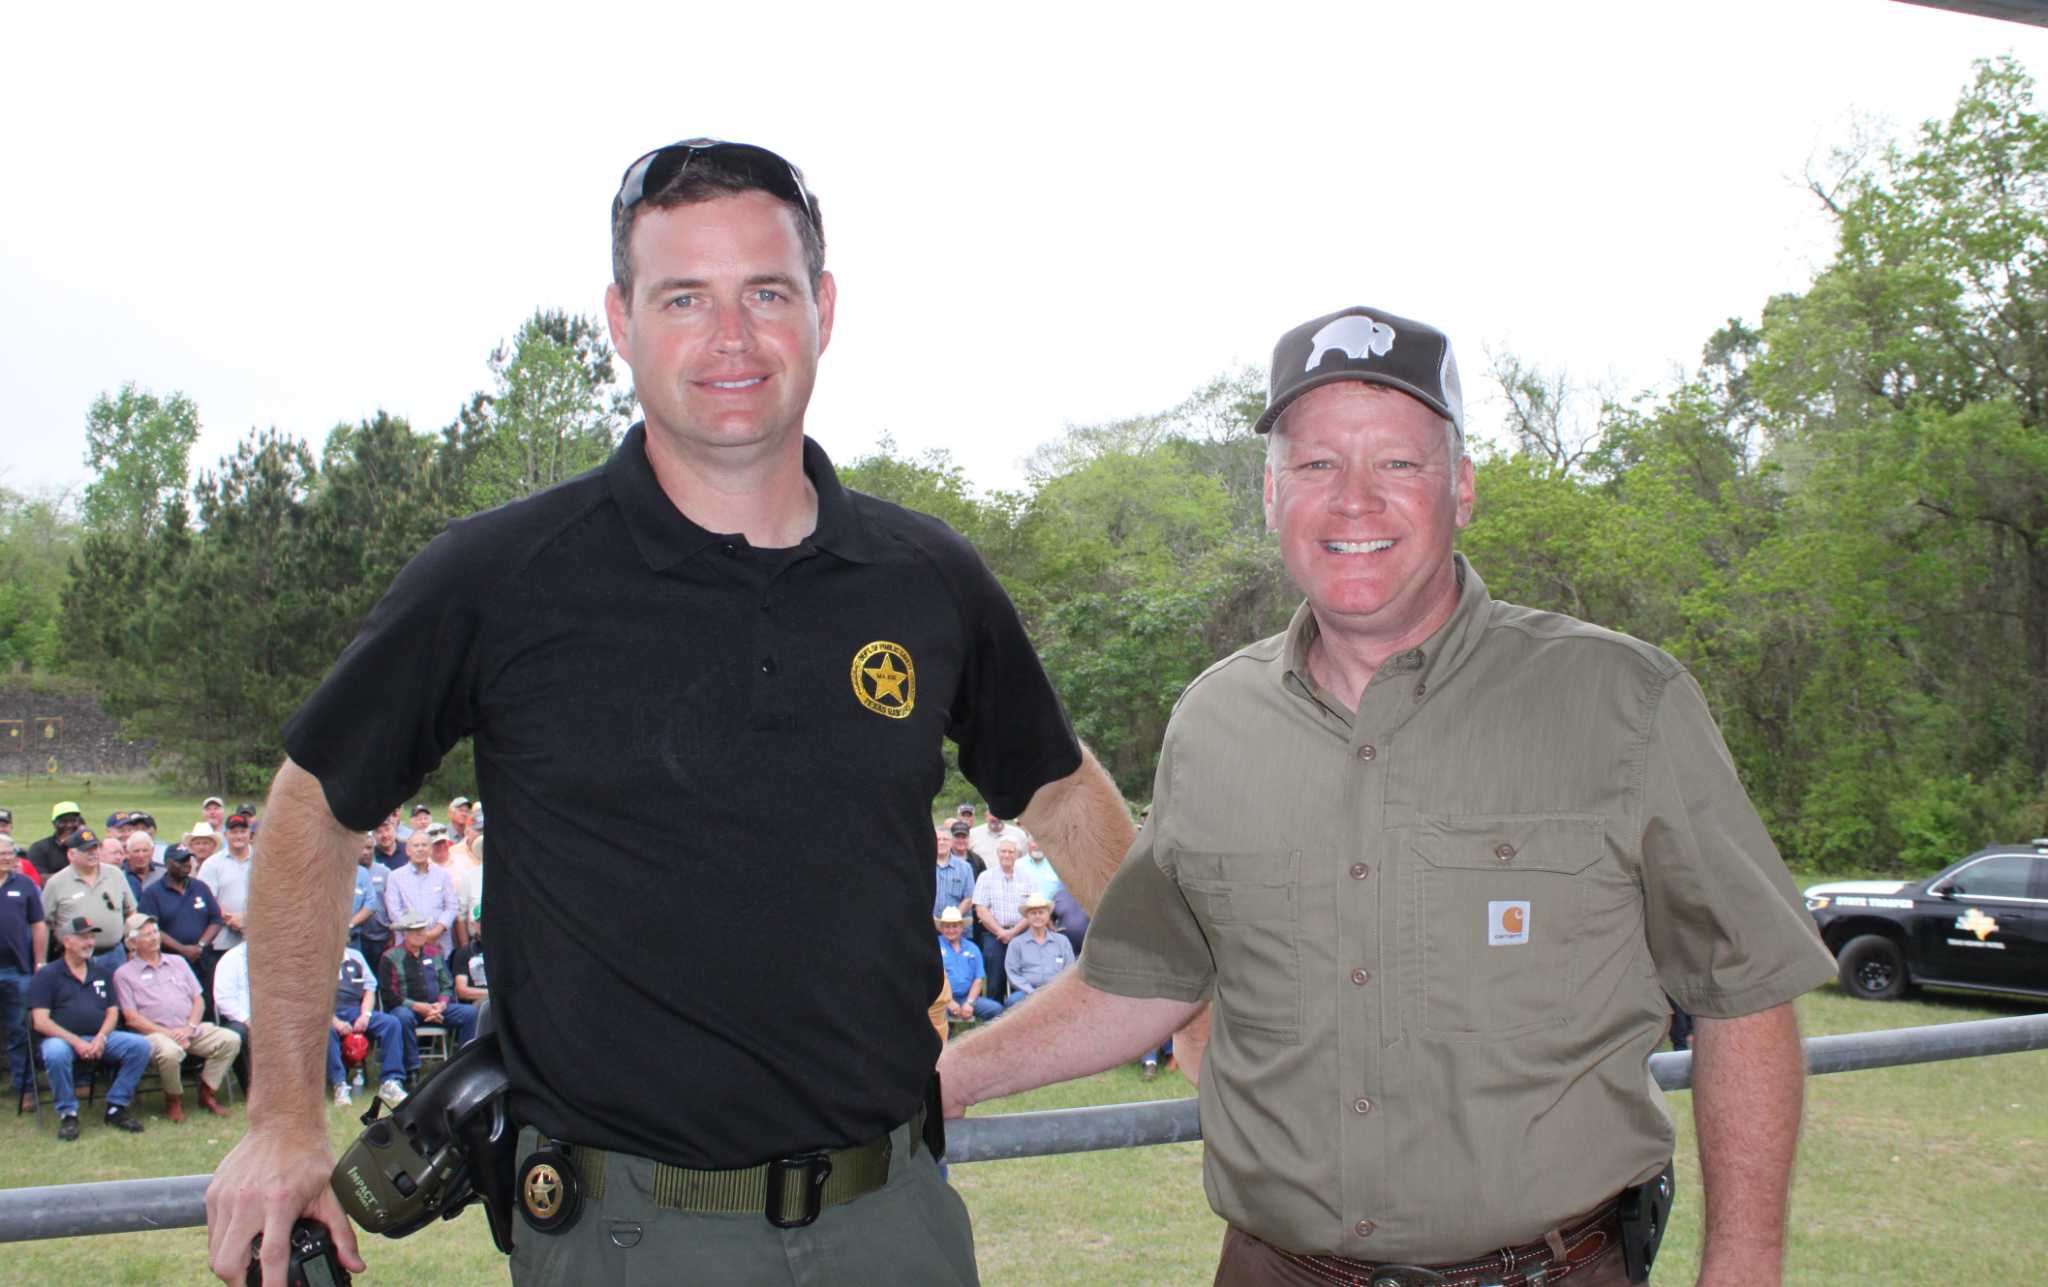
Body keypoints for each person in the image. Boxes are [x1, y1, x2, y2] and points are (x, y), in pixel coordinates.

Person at [205, 137, 1135, 1287]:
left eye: (766, 292)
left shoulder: (924, 578)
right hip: (626, 1234)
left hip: (892, 1219)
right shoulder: (499, 577)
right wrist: (284, 1115)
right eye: (683, 296)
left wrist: (1179, 988)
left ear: (823, 309)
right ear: (620, 318)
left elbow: (1053, 784)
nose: (731, 337)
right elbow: (313, 810)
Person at [941, 306, 1837, 1286]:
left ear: (1460, 488)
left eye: (1398, 464)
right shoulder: (1213, 721)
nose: (1354, 501)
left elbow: (1743, 992)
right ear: (1271, 496)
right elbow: (1144, 977)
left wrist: (1741, 1263)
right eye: (1317, 465)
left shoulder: (1623, 703)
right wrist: (952, 1075)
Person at [28, 916, 151, 1139]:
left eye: (92, 936)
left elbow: (113, 1011)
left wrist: (101, 1038)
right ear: (67, 942)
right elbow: (40, 1021)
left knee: (140, 1045)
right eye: (83, 937)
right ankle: (69, 1114)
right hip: (61, 1040)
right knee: (55, 1052)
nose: (90, 942)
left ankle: (116, 1107)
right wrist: (76, 1042)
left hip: (99, 1037)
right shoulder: (47, 975)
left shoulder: (101, 973)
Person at [112, 914, 239, 1121]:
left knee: (230, 1039)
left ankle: (207, 1092)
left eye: (155, 932)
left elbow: (198, 999)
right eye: (146, 935)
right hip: (154, 1034)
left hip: (189, 1027)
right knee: (169, 1052)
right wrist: (169, 1033)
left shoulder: (177, 962)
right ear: (133, 942)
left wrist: (189, 1027)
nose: (154, 938)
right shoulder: (124, 974)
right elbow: (131, 1017)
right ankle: (174, 1100)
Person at [376, 913, 478, 1084]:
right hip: (408, 1009)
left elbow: (447, 985)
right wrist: (418, 1006)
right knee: (402, 1016)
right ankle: (412, 1070)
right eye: (415, 931)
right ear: (405, 934)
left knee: (471, 1013)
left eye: (422, 930)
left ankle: (465, 1067)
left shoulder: (435, 952)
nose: (420, 934)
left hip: (437, 1009)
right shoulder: (390, 957)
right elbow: (390, 995)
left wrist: (442, 1005)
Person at [140, 840, 226, 1007]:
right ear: (167, 863)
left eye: (187, 860)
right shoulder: (153, 893)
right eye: (180, 861)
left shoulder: (200, 887)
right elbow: (151, 928)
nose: (185, 865)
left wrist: (200, 945)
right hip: (169, 962)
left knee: (206, 1004)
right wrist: (182, 949)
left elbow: (216, 919)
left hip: (202, 960)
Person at [327, 926, 401, 1108]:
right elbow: (312, 997)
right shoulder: (315, 960)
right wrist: (334, 1021)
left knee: (391, 1023)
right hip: (327, 1013)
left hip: (355, 1009)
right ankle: (339, 1084)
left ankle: (390, 1081)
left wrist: (365, 1015)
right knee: (325, 1031)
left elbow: (370, 988)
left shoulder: (355, 957)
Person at [40, 831, 135, 968]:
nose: (93, 853)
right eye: (87, 850)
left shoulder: (115, 874)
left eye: (95, 848)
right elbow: (44, 923)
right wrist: (41, 960)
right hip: (75, 956)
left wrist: (133, 947)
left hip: (114, 954)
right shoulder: (56, 883)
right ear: (71, 854)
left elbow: (132, 912)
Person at [1, 840, 47, 1108]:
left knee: (20, 1031)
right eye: (3, 854)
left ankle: (25, 1088)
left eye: (11, 853)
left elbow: (38, 925)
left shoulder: (25, 886)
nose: (9, 858)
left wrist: (39, 962)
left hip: (17, 970)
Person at [971, 837, 1035, 1003]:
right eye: (1003, 851)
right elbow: (981, 910)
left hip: (1021, 934)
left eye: (1011, 852)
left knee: (1021, 978)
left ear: (1017, 855)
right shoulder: (986, 877)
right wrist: (1001, 932)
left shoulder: (1027, 877)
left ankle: (1020, 1015)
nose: (1007, 855)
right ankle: (995, 1014)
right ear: (998, 854)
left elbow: (1032, 909)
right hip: (994, 935)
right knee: (995, 979)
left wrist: (1013, 932)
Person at [382, 830, 458, 958]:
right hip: (408, 947)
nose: (420, 849)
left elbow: (452, 906)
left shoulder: (443, 875)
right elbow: (394, 911)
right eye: (416, 846)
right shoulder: (395, 877)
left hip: (439, 944)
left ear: (430, 850)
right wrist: (416, 934)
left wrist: (436, 931)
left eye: (424, 845)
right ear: (407, 850)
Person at [198, 813, 256, 955]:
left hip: (258, 936)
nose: (239, 836)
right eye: (234, 832)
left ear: (250, 834)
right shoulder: (212, 864)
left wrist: (247, 918)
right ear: (225, 834)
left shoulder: (263, 860)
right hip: (223, 940)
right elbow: (206, 897)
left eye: (243, 832)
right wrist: (232, 920)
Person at [1001, 893, 1073, 1003]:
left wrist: (1055, 991)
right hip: (1026, 992)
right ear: (1027, 917)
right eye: (1033, 913)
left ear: (1048, 915)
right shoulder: (1016, 943)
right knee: (1012, 1001)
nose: (1037, 916)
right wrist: (1031, 992)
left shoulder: (1062, 941)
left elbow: (1069, 971)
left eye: (1041, 912)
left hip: (1056, 991)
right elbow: (1012, 974)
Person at [937, 908, 1002, 1023]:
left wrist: (969, 1003)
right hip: (941, 999)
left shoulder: (972, 948)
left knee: (996, 1009)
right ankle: (945, 1040)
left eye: (955, 926)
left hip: (966, 997)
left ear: (962, 927)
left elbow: (978, 979)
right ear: (941, 928)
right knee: (936, 1013)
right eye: (947, 926)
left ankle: (982, 1038)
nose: (951, 930)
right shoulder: (934, 946)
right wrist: (948, 1001)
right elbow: (932, 979)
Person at [212, 939, 252, 1093]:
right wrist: (248, 1021)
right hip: (239, 1019)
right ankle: (252, 1089)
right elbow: (224, 1000)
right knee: (238, 1034)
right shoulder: (231, 959)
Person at [350, 833, 394, 965]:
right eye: (361, 848)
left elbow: (390, 905)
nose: (365, 852)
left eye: (369, 848)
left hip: (379, 935)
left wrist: (392, 933)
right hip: (357, 935)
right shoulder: (351, 872)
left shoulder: (385, 872)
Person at [26, 802, 84, 881]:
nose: (69, 825)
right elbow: (41, 879)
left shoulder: (88, 846)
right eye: (63, 821)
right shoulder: (39, 848)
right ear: (54, 824)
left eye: (73, 821)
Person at [931, 827, 975, 924]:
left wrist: (951, 919)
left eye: (945, 839)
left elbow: (969, 898)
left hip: (957, 928)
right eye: (938, 839)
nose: (941, 842)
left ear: (951, 843)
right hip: (928, 926)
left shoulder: (965, 868)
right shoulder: (923, 867)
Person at [122, 830, 165, 901]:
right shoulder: (120, 874)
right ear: (127, 853)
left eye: (145, 850)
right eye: (136, 851)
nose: (141, 856)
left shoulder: (163, 873)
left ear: (152, 851)